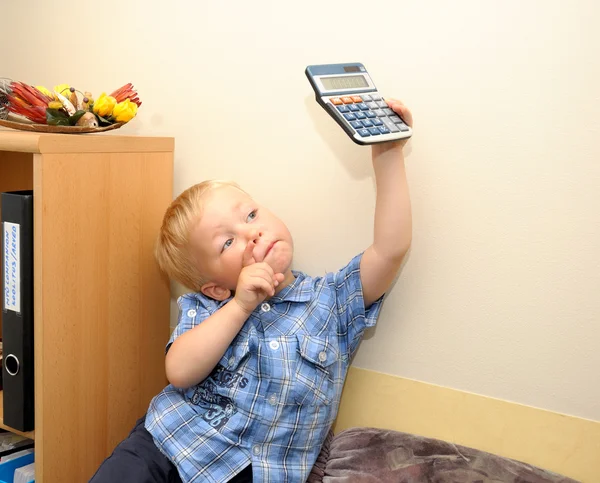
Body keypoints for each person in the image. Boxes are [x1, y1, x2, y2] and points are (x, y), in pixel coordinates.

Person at [90, 100, 413, 483]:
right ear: (213, 287)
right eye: (227, 243)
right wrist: (240, 306)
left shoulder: (331, 301)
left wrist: (388, 151)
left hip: (258, 473)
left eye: (251, 215)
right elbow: (178, 371)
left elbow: (391, 249)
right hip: (167, 448)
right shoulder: (211, 307)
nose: (252, 233)